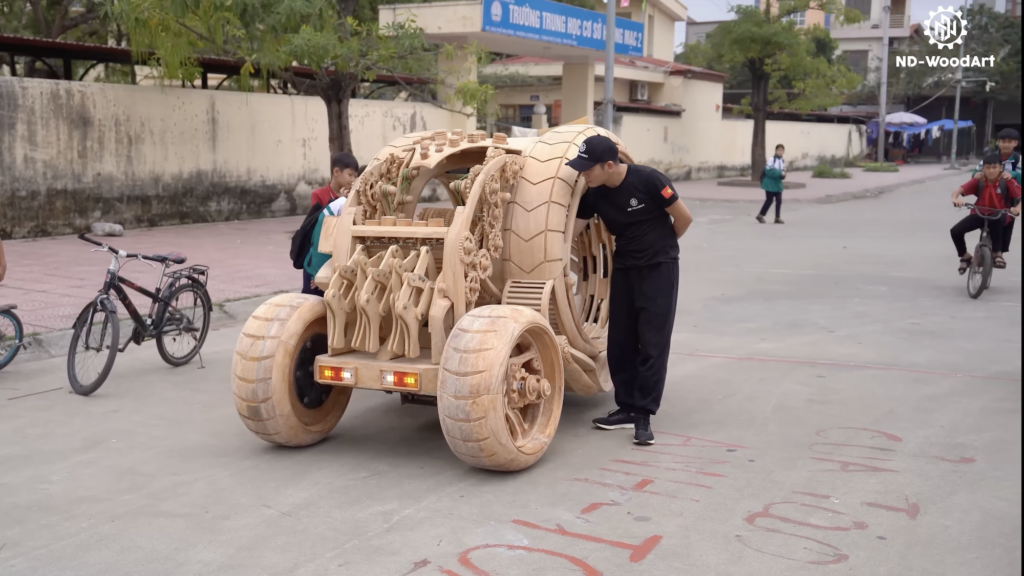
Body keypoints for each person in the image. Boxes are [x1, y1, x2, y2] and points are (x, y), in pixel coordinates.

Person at [568, 135, 694, 446]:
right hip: (624, 268)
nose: (584, 174)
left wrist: (662, 248)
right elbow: (574, 230)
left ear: (609, 165)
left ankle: (643, 414)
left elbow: (684, 217)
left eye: (588, 169)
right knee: (621, 340)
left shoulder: (649, 179)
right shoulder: (594, 193)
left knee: (652, 341)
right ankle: (625, 407)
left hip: (659, 268)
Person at [951, 153, 1022, 274]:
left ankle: (997, 253)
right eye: (988, 168)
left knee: (995, 221)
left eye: (994, 167)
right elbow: (959, 191)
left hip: (1000, 214)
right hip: (980, 212)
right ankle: (965, 256)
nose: (991, 171)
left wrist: (1017, 209)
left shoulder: (1006, 182)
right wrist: (955, 199)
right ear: (983, 169)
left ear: (1000, 168)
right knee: (955, 231)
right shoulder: (979, 180)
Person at [303, 153, 360, 294]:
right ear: (336, 172)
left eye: (355, 176)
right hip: (319, 258)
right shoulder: (320, 195)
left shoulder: (351, 197)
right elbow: (319, 230)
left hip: (336, 260)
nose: (353, 179)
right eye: (350, 175)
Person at [972, 128, 1021, 256]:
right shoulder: (989, 158)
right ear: (998, 142)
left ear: (1015, 143)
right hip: (989, 192)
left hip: (1009, 195)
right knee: (983, 217)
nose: (1006, 144)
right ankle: (983, 246)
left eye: (1009, 141)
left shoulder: (1018, 159)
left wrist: (1012, 174)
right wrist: (976, 174)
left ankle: (999, 253)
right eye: (1003, 141)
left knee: (1007, 222)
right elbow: (976, 171)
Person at [757, 144, 786, 224]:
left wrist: (783, 175)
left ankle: (777, 218)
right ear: (776, 151)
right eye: (779, 150)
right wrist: (780, 173)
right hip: (769, 183)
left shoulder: (782, 161)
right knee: (769, 200)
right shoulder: (772, 159)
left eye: (781, 150)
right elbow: (768, 171)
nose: (780, 152)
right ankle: (760, 215)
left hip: (777, 184)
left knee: (779, 200)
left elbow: (783, 171)